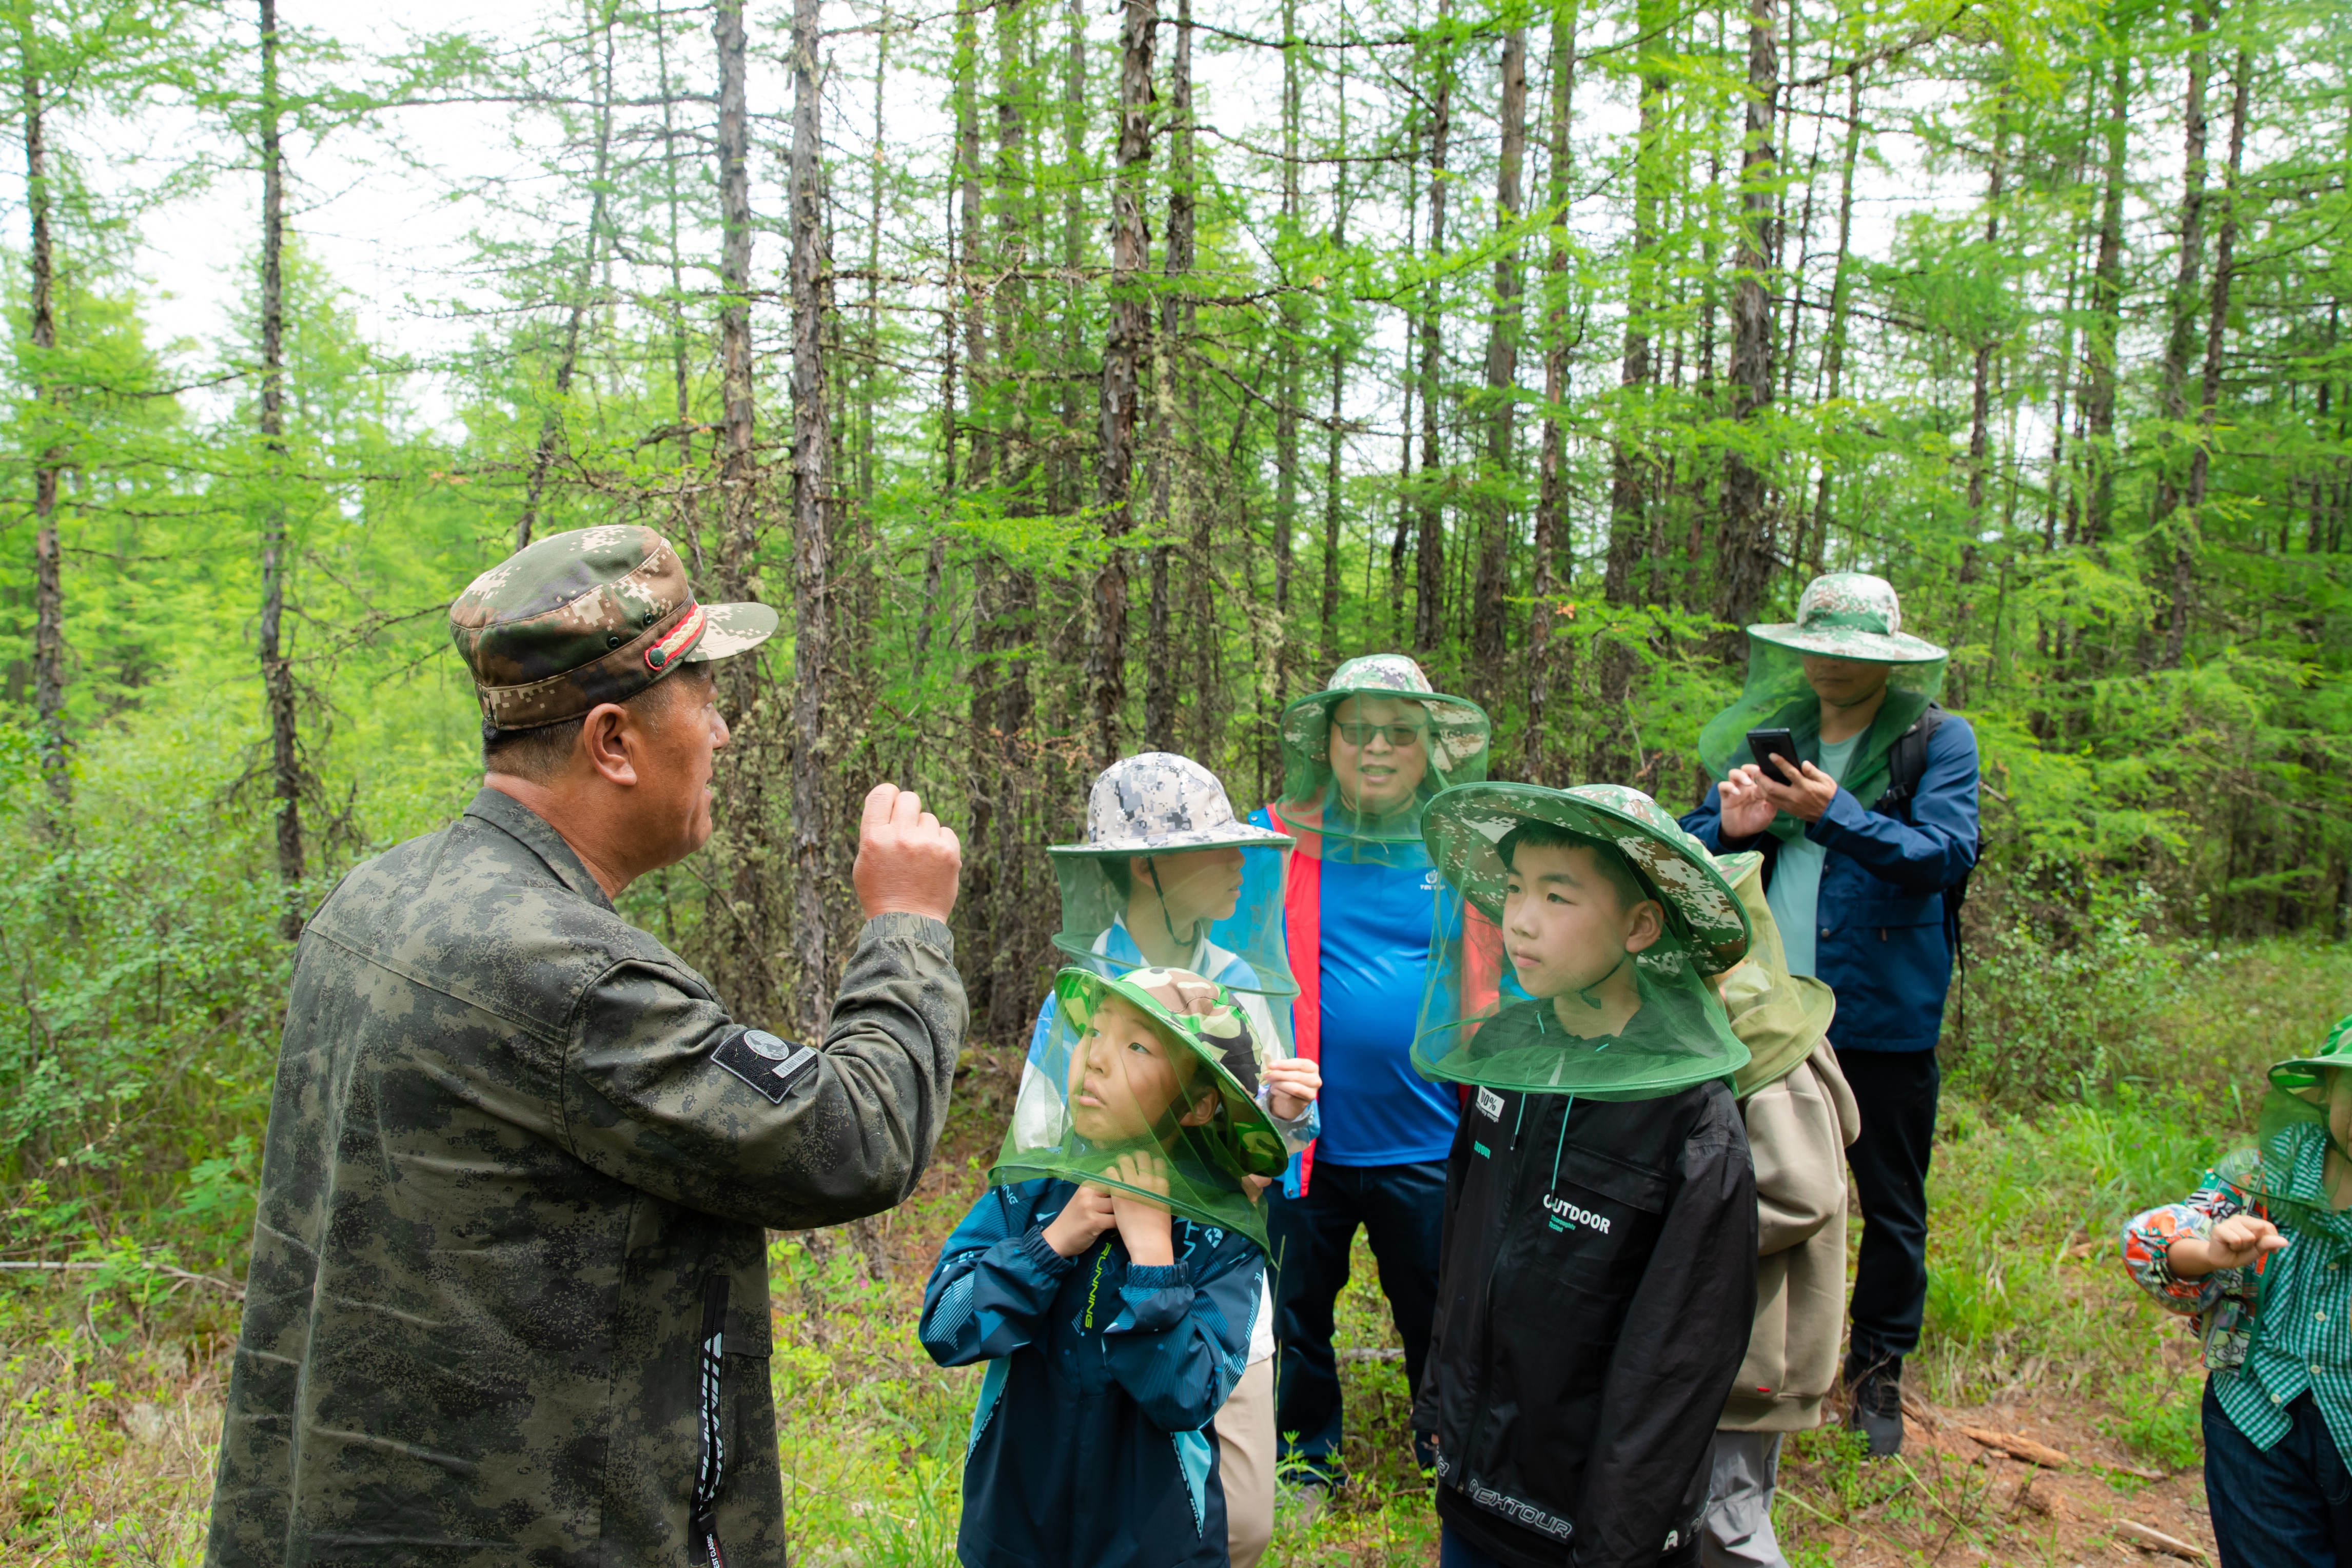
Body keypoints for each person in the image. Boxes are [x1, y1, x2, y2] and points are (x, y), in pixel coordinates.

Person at [204, 526, 968, 1567]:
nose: (725, 732)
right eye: (703, 695)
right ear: (614, 741)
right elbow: (852, 1139)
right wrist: (908, 926)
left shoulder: (372, 898)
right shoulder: (569, 975)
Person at [1411, 782, 1759, 1568]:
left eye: (1557, 895)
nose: (1521, 920)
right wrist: (1439, 1399)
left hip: (1591, 1528)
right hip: (1474, 1491)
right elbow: (1466, 1243)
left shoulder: (1691, 1119)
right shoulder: (1506, 1048)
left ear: (1641, 925)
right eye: (1512, 889)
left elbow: (1679, 1358)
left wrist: (1617, 1542)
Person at [1682, 572, 1980, 1458]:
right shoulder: (1772, 737)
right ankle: (1748, 1358)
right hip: (1766, 1015)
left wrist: (1832, 815)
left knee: (1889, 1198)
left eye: (1851, 652)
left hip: (1880, 1011)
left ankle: (1876, 1373)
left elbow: (1943, 854)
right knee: (1756, 1187)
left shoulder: (1934, 741)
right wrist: (1732, 828)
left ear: (1887, 658)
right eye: (1817, 645)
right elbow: (1693, 846)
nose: (1829, 664)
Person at [1010, 752, 1322, 1567]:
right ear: (1145, 869)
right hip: (1105, 1298)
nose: (1237, 864)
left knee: (1242, 1522)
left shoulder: (1240, 981)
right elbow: (1041, 1155)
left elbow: (1262, 1159)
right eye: (1213, 848)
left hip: (1221, 1290)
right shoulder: (1080, 995)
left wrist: (1287, 1118)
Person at [924, 967, 1306, 1568]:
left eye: (1135, 1045)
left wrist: (1155, 1256)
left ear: (1198, 1103)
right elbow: (947, 1327)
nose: (1096, 1058)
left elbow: (1188, 1395)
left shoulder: (1221, 1235)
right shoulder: (1032, 1194)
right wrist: (1050, 1245)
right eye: (1093, 1032)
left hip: (1157, 1547)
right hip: (1013, 1533)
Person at [1252, 653, 1491, 1501]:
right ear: (1328, 741)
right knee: (1292, 1313)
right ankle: (1302, 1457)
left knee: (1438, 1309)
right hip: (1297, 1141)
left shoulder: (1459, 847)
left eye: (1400, 732)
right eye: (1359, 730)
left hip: (1427, 1138)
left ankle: (1444, 1451)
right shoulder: (1276, 836)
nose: (1378, 748)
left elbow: (1499, 985)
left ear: (1430, 746)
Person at [2121, 1013, 2352, 1568]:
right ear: (2323, 1091)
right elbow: (2152, 1234)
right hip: (2256, 1417)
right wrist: (2207, 1252)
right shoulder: (2264, 1174)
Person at [1701, 851, 1861, 1568]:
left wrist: (1665, 1232)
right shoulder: (1713, 1021)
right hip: (1708, 1340)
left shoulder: (1763, 1043)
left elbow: (1799, 1193)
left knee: (1727, 1525)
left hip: (1750, 1347)